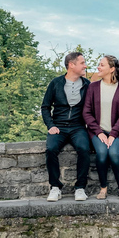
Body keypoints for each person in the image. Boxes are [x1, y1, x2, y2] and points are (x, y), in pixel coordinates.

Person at [41, 52, 91, 201]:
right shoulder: (56, 83)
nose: (85, 66)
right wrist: (50, 125)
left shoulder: (88, 85)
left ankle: (80, 188)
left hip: (78, 127)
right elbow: (45, 107)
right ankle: (55, 187)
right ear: (71, 65)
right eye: (82, 63)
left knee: (84, 149)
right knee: (50, 149)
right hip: (59, 126)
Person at [83, 55, 119, 201]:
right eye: (99, 64)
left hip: (117, 133)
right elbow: (86, 112)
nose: (98, 67)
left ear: (111, 69)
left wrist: (113, 134)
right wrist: (98, 132)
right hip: (97, 133)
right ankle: (103, 188)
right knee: (102, 153)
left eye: (102, 65)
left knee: (114, 154)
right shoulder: (93, 87)